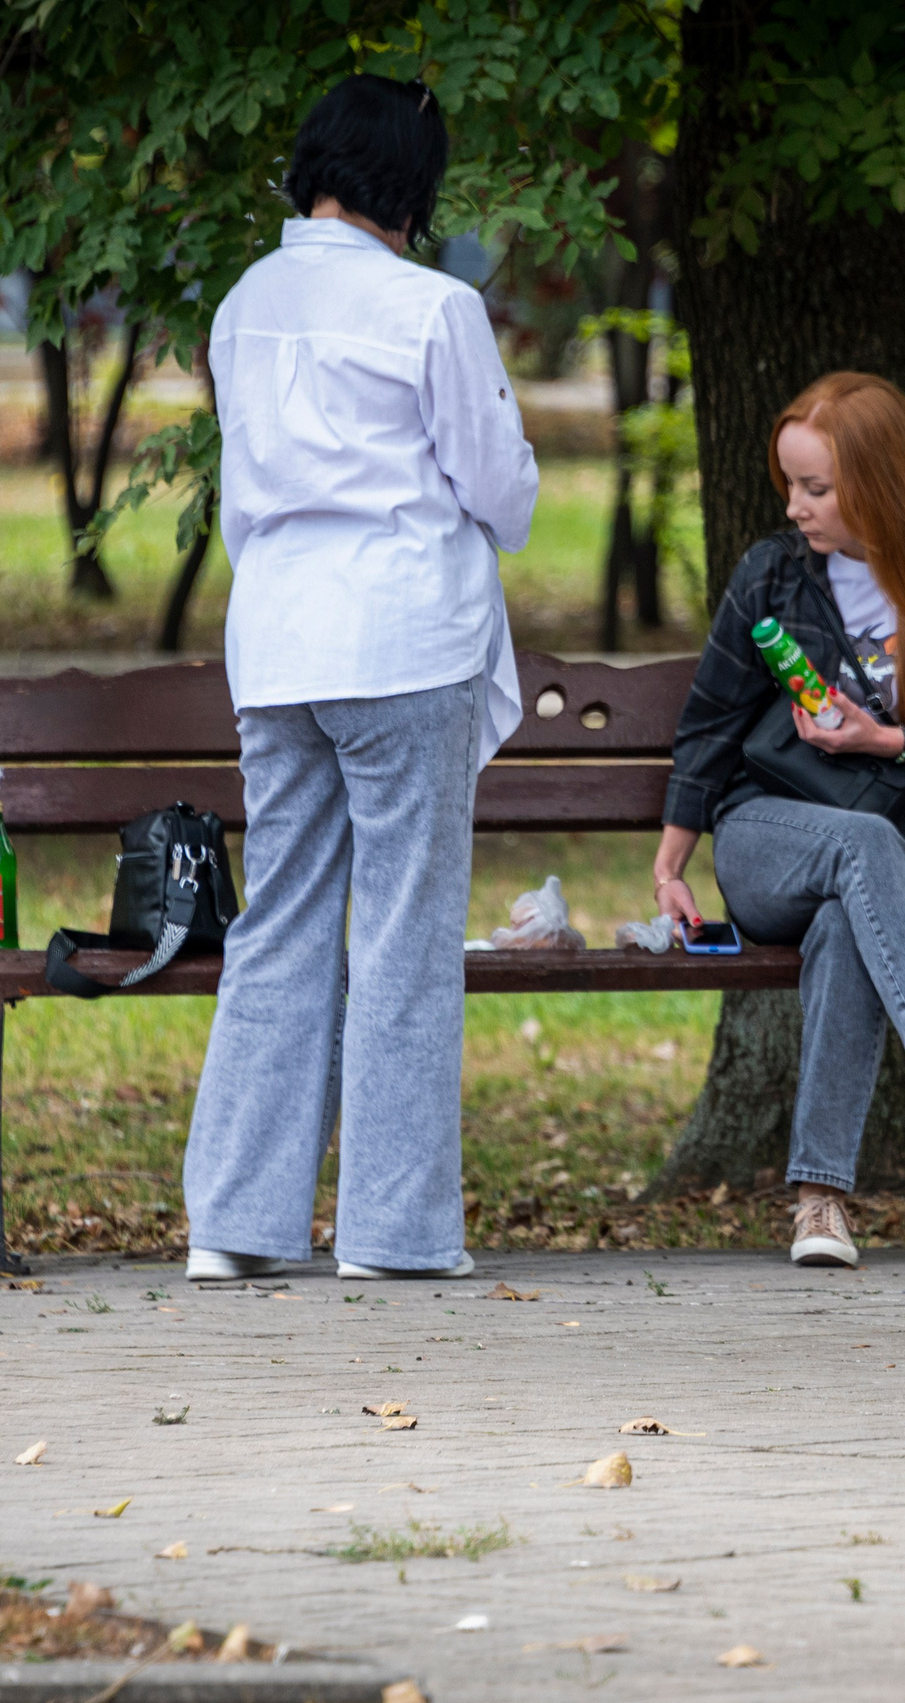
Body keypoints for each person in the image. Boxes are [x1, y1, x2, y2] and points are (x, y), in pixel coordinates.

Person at [180, 75, 537, 1284]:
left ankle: (233, 1221)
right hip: (404, 641)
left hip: (277, 644)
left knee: (276, 920)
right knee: (402, 935)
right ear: (414, 187)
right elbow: (501, 490)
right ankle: (392, 1234)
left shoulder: (242, 305)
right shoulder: (435, 309)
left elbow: (241, 492)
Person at [654, 372, 905, 1268]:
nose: (795, 506)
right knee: (852, 854)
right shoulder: (773, 575)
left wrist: (893, 741)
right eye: (790, 484)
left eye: (816, 488)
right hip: (770, 832)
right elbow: (711, 723)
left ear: (879, 484)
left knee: (850, 913)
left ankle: (818, 1201)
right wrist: (673, 865)